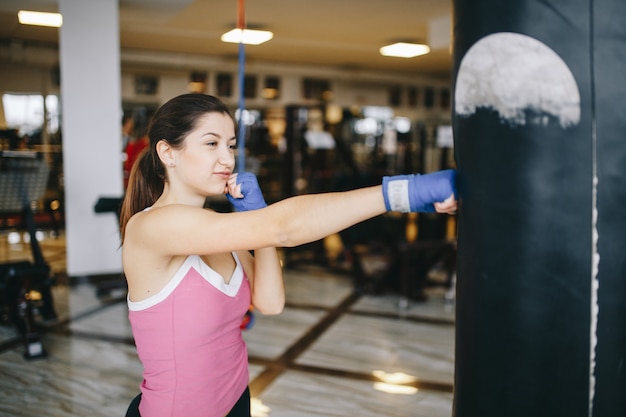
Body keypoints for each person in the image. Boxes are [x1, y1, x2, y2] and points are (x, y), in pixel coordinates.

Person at [120, 93, 457, 417]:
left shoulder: (221, 230)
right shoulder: (153, 227)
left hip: (237, 399)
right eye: (211, 143)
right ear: (167, 152)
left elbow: (270, 302)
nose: (227, 158)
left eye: (231, 145)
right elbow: (286, 227)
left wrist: (258, 218)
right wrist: (403, 193)